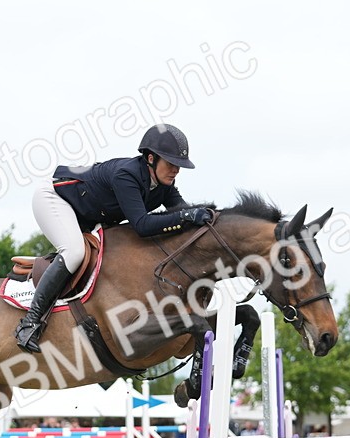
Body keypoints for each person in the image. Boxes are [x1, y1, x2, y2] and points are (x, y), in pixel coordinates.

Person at [15, 123, 212, 353]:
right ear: (151, 158)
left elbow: (183, 214)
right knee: (75, 252)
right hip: (54, 198)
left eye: (179, 165)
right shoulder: (127, 175)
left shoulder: (164, 186)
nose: (176, 170)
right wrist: (187, 216)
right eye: (171, 163)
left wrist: (207, 217)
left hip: (87, 214)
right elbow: (142, 225)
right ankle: (30, 323)